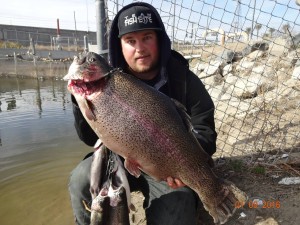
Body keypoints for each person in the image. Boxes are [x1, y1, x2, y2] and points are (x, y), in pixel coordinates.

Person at [68, 2, 217, 225]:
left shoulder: (183, 78)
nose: (140, 47)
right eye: (130, 41)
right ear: (120, 45)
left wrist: (188, 167)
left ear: (159, 39)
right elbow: (89, 138)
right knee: (80, 180)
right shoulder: (108, 83)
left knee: (176, 212)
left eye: (147, 37)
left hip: (168, 167)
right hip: (118, 159)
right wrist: (78, 98)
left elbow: (205, 130)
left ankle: (211, 196)